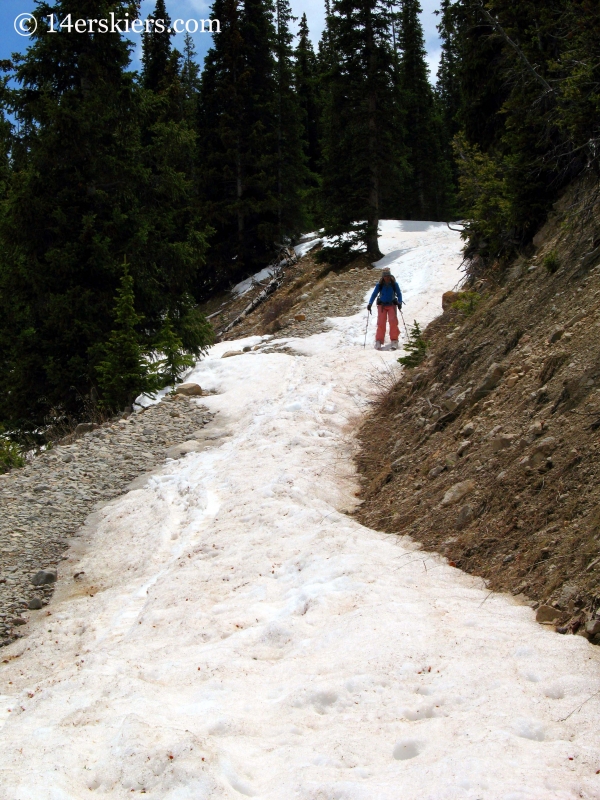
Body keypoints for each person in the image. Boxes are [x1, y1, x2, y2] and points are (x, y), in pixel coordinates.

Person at [367, 267, 403, 350]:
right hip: (382, 306)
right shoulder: (379, 285)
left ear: (390, 276)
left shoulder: (394, 284)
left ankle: (394, 340)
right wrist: (370, 303)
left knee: (393, 322)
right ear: (383, 277)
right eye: (385, 276)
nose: (386, 278)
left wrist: (400, 302)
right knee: (381, 323)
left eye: (387, 276)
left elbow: (399, 294)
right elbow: (374, 294)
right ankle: (378, 341)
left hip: (392, 305)